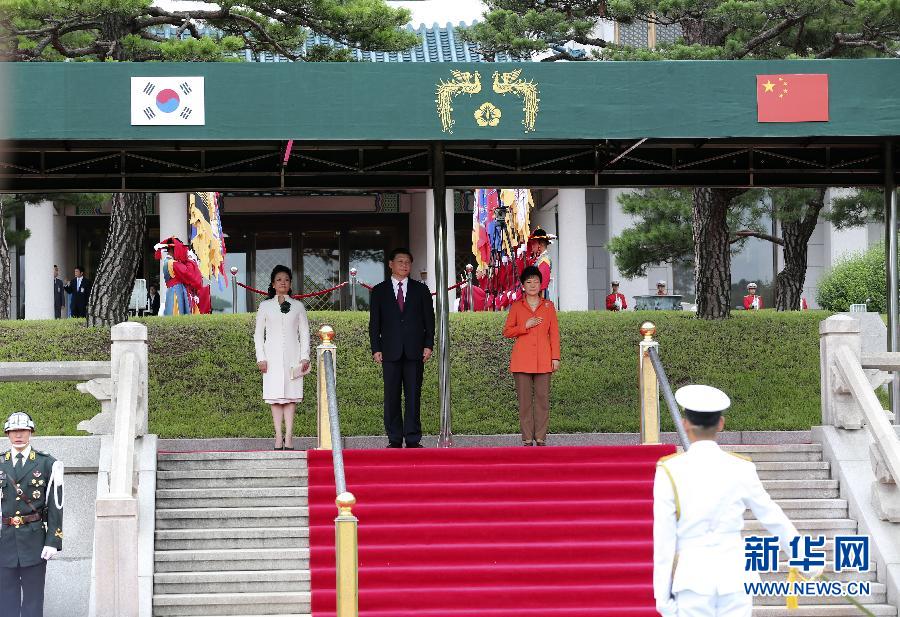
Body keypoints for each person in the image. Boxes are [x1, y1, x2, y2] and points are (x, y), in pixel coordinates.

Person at [653, 385, 813, 617]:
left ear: (686, 424)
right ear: (720, 424)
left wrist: (662, 595)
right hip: (735, 580)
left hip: (692, 582)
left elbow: (664, 538)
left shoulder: (669, 470)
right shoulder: (741, 467)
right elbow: (772, 516)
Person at [369, 248, 435, 448]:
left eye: (407, 262)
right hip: (389, 351)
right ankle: (394, 438)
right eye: (400, 261)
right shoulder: (379, 290)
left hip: (415, 350)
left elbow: (429, 321)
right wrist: (376, 348)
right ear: (391, 264)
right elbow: (375, 323)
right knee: (391, 396)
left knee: (413, 395)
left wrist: (428, 345)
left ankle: (413, 438)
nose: (404, 265)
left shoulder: (420, 290)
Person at [0, 412, 63, 617]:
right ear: (7, 434)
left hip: (35, 540)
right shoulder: (1, 463)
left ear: (31, 432)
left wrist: (52, 540)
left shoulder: (47, 464)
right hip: (4, 541)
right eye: (14, 431)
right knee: (5, 600)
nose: (18, 435)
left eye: (23, 430)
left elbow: (56, 505)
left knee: (33, 600)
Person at [254, 265, 311, 451]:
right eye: (279, 279)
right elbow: (258, 334)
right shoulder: (265, 306)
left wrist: (305, 357)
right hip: (271, 358)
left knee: (290, 397)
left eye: (286, 279)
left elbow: (304, 333)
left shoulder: (298, 306)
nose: (283, 283)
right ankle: (278, 436)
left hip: (293, 357)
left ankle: (289, 436)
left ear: (290, 283)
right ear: (272, 283)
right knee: (275, 398)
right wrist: (260, 358)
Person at [503, 266, 561, 446]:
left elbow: (555, 334)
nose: (533, 285)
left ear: (541, 284)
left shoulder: (548, 306)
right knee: (525, 401)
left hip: (544, 359)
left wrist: (555, 357)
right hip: (522, 360)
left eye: (536, 281)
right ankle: (527, 437)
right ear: (522, 286)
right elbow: (507, 331)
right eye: (529, 282)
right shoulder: (517, 307)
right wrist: (524, 326)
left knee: (543, 400)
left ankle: (541, 437)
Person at [527, 228, 555, 299]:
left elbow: (542, 281)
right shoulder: (540, 259)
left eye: (534, 243)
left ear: (541, 244)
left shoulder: (544, 259)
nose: (532, 246)